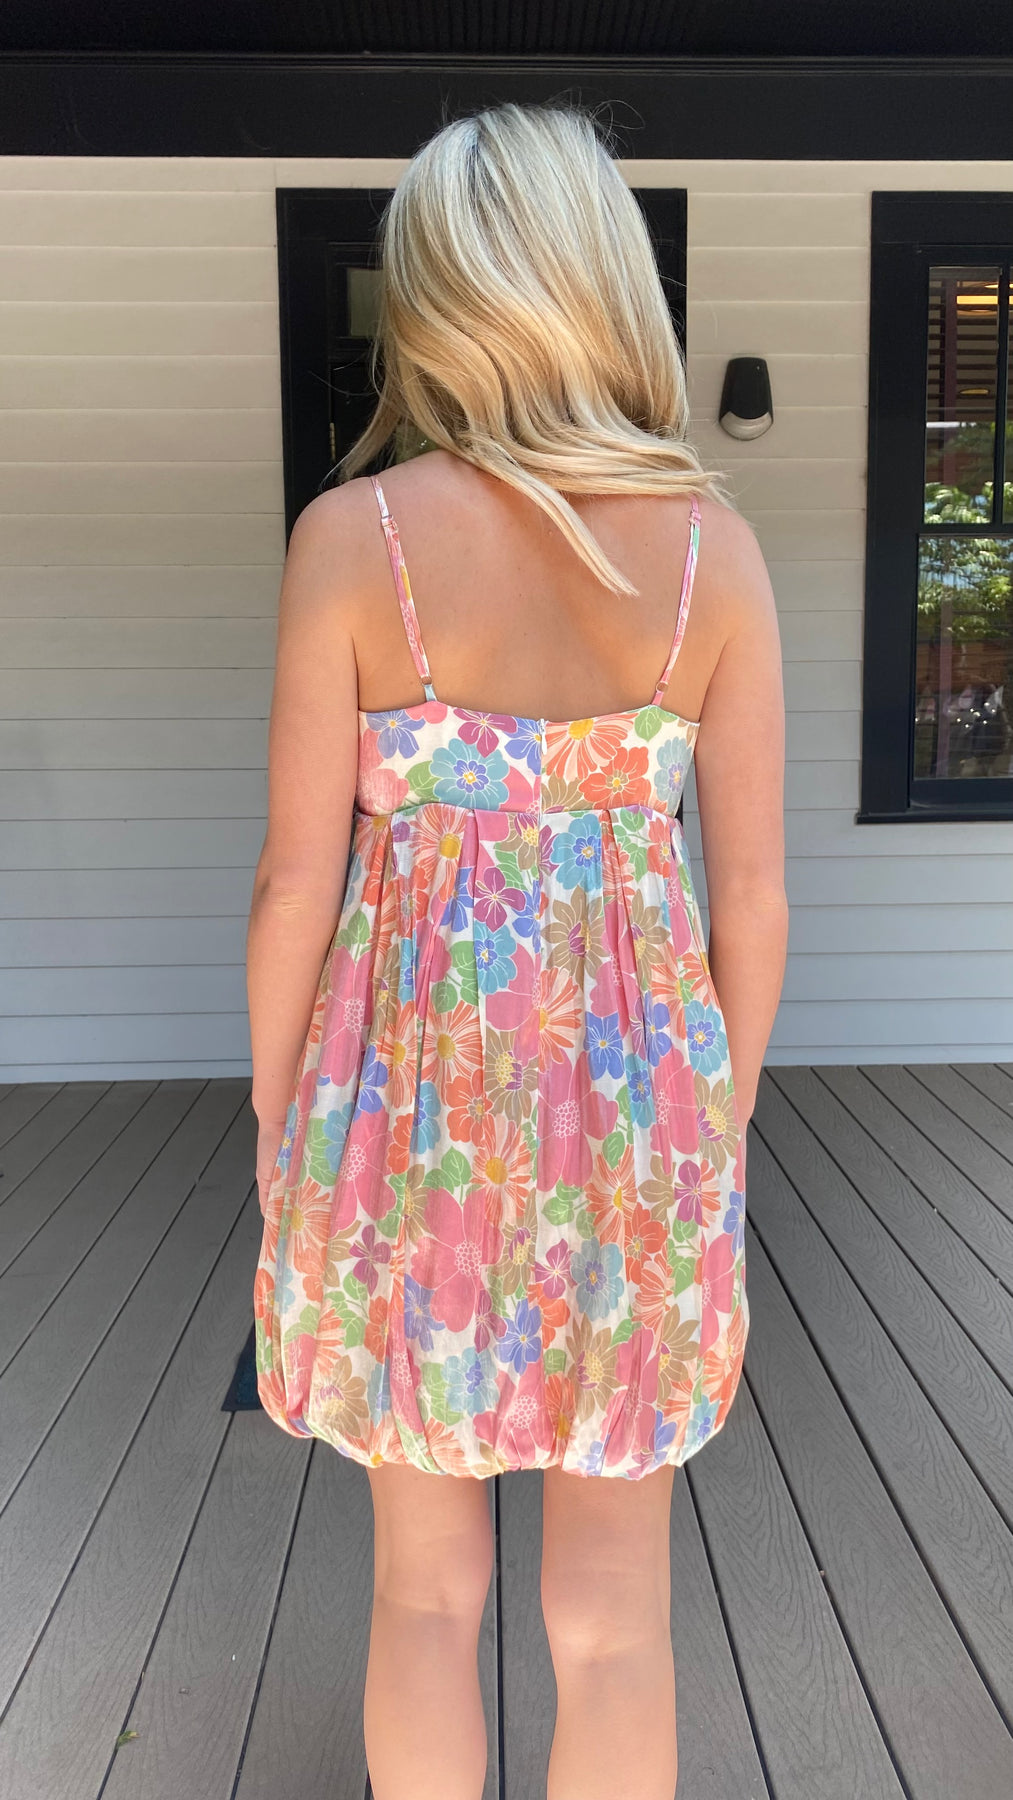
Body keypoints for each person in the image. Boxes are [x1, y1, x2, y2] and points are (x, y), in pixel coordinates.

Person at [246, 99, 787, 1800]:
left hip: (407, 1132)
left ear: (437, 300)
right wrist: (714, 1131)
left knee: (423, 1595)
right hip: (639, 1136)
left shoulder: (354, 542)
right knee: (616, 1620)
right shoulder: (711, 555)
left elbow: (292, 887)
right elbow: (752, 897)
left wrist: (282, 1129)